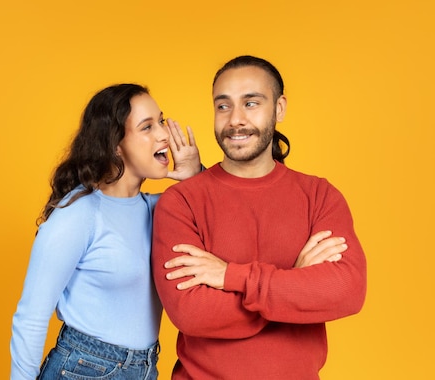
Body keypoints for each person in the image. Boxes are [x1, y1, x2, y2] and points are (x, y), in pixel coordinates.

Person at [151, 55, 368, 379]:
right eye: (223, 106)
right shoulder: (181, 202)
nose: (235, 119)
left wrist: (231, 277)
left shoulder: (319, 195)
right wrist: (295, 282)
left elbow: (347, 291)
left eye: (251, 103)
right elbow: (192, 313)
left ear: (279, 108)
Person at [10, 83, 203, 380]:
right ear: (115, 145)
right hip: (84, 369)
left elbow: (222, 219)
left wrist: (194, 175)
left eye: (161, 121)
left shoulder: (160, 209)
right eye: (147, 127)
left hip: (144, 368)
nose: (164, 134)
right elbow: (30, 319)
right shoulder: (78, 215)